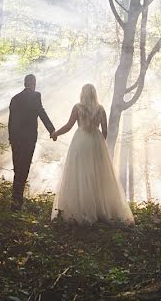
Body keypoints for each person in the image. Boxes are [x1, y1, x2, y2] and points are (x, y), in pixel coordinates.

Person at [50, 84, 134, 225]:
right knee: (98, 175)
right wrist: (100, 143)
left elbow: (69, 126)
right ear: (94, 94)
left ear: (82, 93)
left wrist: (55, 133)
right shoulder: (100, 109)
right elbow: (105, 130)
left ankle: (81, 209)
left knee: (80, 174)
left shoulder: (78, 107)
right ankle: (100, 209)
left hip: (81, 142)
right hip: (96, 141)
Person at [8, 74, 55, 209]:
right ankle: (17, 201)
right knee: (24, 168)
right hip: (28, 139)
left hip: (16, 139)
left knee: (18, 168)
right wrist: (51, 130)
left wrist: (11, 138)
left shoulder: (15, 98)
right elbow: (42, 113)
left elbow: (10, 120)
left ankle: (15, 200)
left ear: (24, 83)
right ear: (33, 83)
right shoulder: (36, 96)